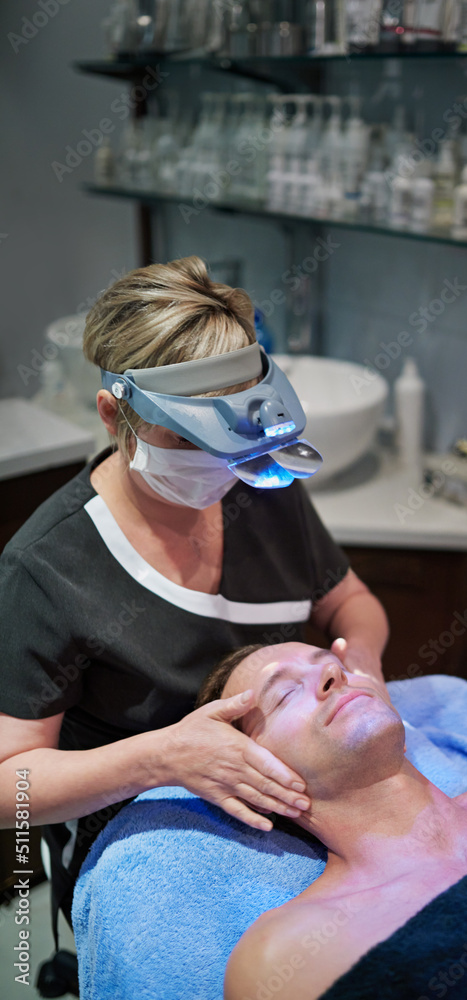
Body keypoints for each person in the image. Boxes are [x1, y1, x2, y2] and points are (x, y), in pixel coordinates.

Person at [0, 257, 388, 935]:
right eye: (187, 440)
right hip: (153, 846)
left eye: (230, 440)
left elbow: (351, 605)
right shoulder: (47, 569)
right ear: (113, 414)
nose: (219, 467)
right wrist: (160, 758)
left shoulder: (259, 485)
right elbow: (12, 789)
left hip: (301, 813)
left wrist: (364, 677)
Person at [194, 641, 467, 1000]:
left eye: (333, 664)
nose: (330, 675)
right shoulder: (288, 953)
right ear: (254, 778)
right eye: (284, 695)